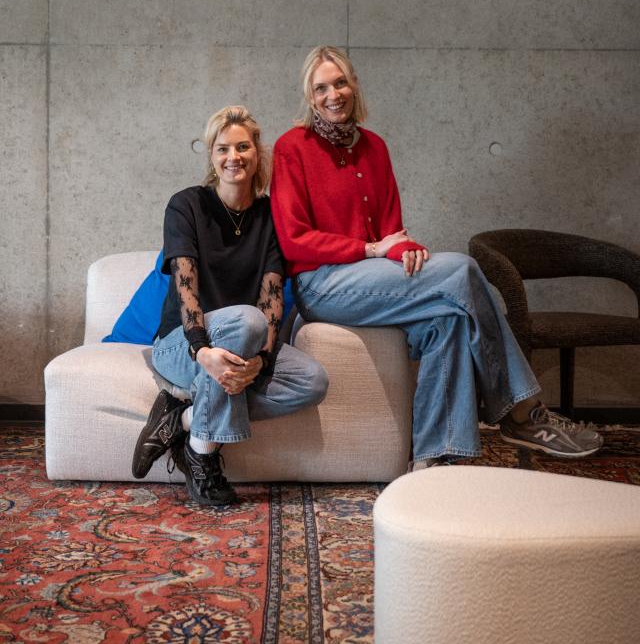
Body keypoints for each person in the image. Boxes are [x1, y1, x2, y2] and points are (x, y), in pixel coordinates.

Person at [270, 46, 603, 469]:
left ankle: (435, 460)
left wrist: (403, 250)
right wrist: (371, 249)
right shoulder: (291, 147)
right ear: (309, 95)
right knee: (462, 269)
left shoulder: (375, 147)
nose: (333, 95)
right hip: (324, 285)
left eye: (340, 83)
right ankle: (521, 410)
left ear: (354, 85)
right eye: (321, 88)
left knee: (448, 320)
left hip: (376, 278)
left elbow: (392, 231)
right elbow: (294, 240)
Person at [132, 105, 328, 505]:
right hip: (179, 345)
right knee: (247, 321)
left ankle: (182, 419)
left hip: (243, 344)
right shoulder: (186, 205)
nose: (233, 157)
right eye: (223, 148)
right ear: (212, 155)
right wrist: (202, 351)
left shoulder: (271, 216)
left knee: (312, 381)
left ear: (257, 153)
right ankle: (202, 457)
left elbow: (272, 299)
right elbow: (186, 287)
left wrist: (262, 361)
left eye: (242, 147)